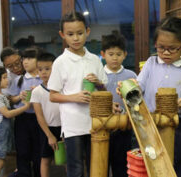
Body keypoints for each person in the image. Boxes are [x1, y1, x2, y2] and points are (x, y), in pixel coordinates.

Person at [118, 16, 181, 177]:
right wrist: (129, 87)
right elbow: (139, 87)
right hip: (148, 123)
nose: (166, 52)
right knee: (147, 162)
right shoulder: (151, 63)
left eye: (172, 48)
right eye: (161, 47)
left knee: (176, 162)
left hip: (176, 125)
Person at [48, 11, 108, 177]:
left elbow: (104, 90)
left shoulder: (95, 59)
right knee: (75, 169)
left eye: (80, 33)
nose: (76, 38)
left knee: (95, 165)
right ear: (62, 35)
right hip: (72, 125)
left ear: (87, 32)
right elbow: (52, 95)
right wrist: (73, 97)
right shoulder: (60, 62)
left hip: (94, 122)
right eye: (70, 34)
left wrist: (98, 82)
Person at [101, 32, 137, 177]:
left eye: (118, 54)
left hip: (124, 127)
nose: (115, 58)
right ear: (103, 54)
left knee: (121, 166)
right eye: (111, 54)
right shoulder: (98, 76)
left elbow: (136, 101)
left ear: (125, 54)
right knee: (102, 165)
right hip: (103, 127)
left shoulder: (131, 76)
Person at [9, 47, 43, 177]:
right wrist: (19, 97)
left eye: (29, 58)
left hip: (40, 118)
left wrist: (40, 90)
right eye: (24, 59)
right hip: (22, 118)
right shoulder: (19, 80)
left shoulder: (44, 79)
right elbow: (11, 100)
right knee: (22, 150)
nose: (25, 62)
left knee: (38, 152)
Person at [30, 53, 62, 177]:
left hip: (64, 128)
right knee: (45, 160)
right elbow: (39, 116)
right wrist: (49, 135)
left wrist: (64, 132)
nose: (43, 72)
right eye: (40, 69)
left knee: (66, 160)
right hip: (46, 130)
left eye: (47, 69)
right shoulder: (37, 91)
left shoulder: (62, 88)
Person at [0, 66, 30, 177]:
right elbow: (7, 114)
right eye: (4, 78)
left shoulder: (1, 95)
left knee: (1, 158)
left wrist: (20, 96)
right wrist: (25, 107)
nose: (7, 80)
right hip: (0, 133)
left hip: (3, 132)